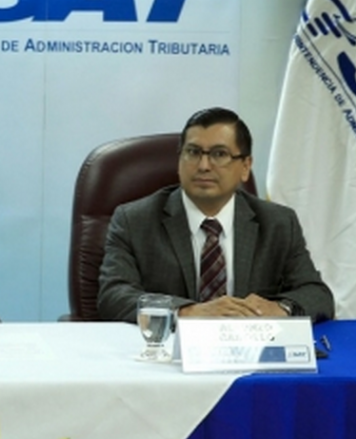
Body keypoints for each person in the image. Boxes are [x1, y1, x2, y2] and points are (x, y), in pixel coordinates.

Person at [98, 107, 334, 323]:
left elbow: (317, 295)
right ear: (179, 161)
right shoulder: (134, 221)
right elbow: (113, 296)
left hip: (249, 350)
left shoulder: (278, 223)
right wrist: (187, 312)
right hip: (168, 350)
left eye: (219, 154)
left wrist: (279, 309)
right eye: (193, 152)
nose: (203, 165)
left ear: (245, 166)